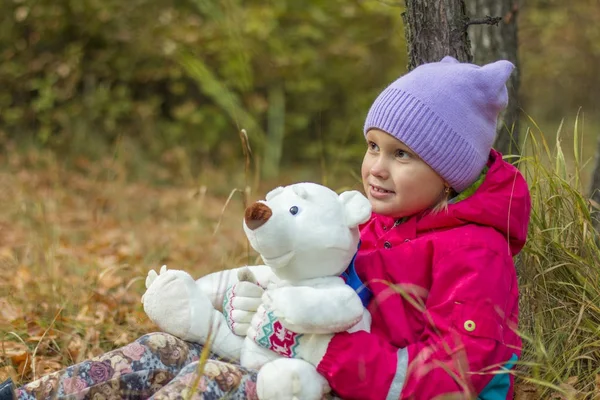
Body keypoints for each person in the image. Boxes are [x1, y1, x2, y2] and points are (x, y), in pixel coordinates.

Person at [2, 55, 531, 400]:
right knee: (163, 347)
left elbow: (458, 375)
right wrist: (254, 302)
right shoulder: (373, 224)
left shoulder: (475, 251)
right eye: (373, 146)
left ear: (450, 171)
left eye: (402, 155)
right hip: (299, 362)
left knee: (209, 381)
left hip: (332, 382)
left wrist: (326, 353)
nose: (376, 166)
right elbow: (310, 279)